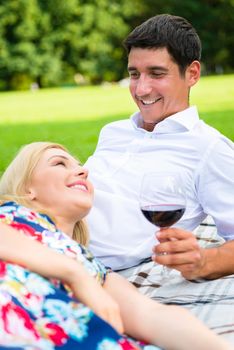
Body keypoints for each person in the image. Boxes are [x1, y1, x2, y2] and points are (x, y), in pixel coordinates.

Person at [0, 142, 231, 350]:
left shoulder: (93, 268)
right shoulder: (11, 217)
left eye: (80, 166)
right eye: (59, 163)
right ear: (27, 189)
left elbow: (153, 316)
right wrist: (74, 273)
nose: (83, 171)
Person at [85, 14, 234, 280]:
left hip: (72, 258)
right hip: (34, 227)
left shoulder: (209, 149)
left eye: (156, 73)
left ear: (192, 74)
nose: (141, 90)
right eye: (134, 74)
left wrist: (204, 262)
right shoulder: (113, 132)